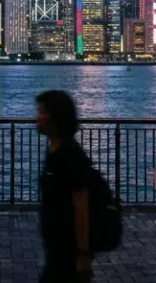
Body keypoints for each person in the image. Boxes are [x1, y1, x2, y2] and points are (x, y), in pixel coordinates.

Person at [35, 90, 92, 283]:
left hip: (67, 251)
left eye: (42, 112)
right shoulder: (53, 150)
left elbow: (81, 208)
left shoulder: (70, 155)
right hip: (56, 249)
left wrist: (82, 255)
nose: (37, 117)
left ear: (55, 117)